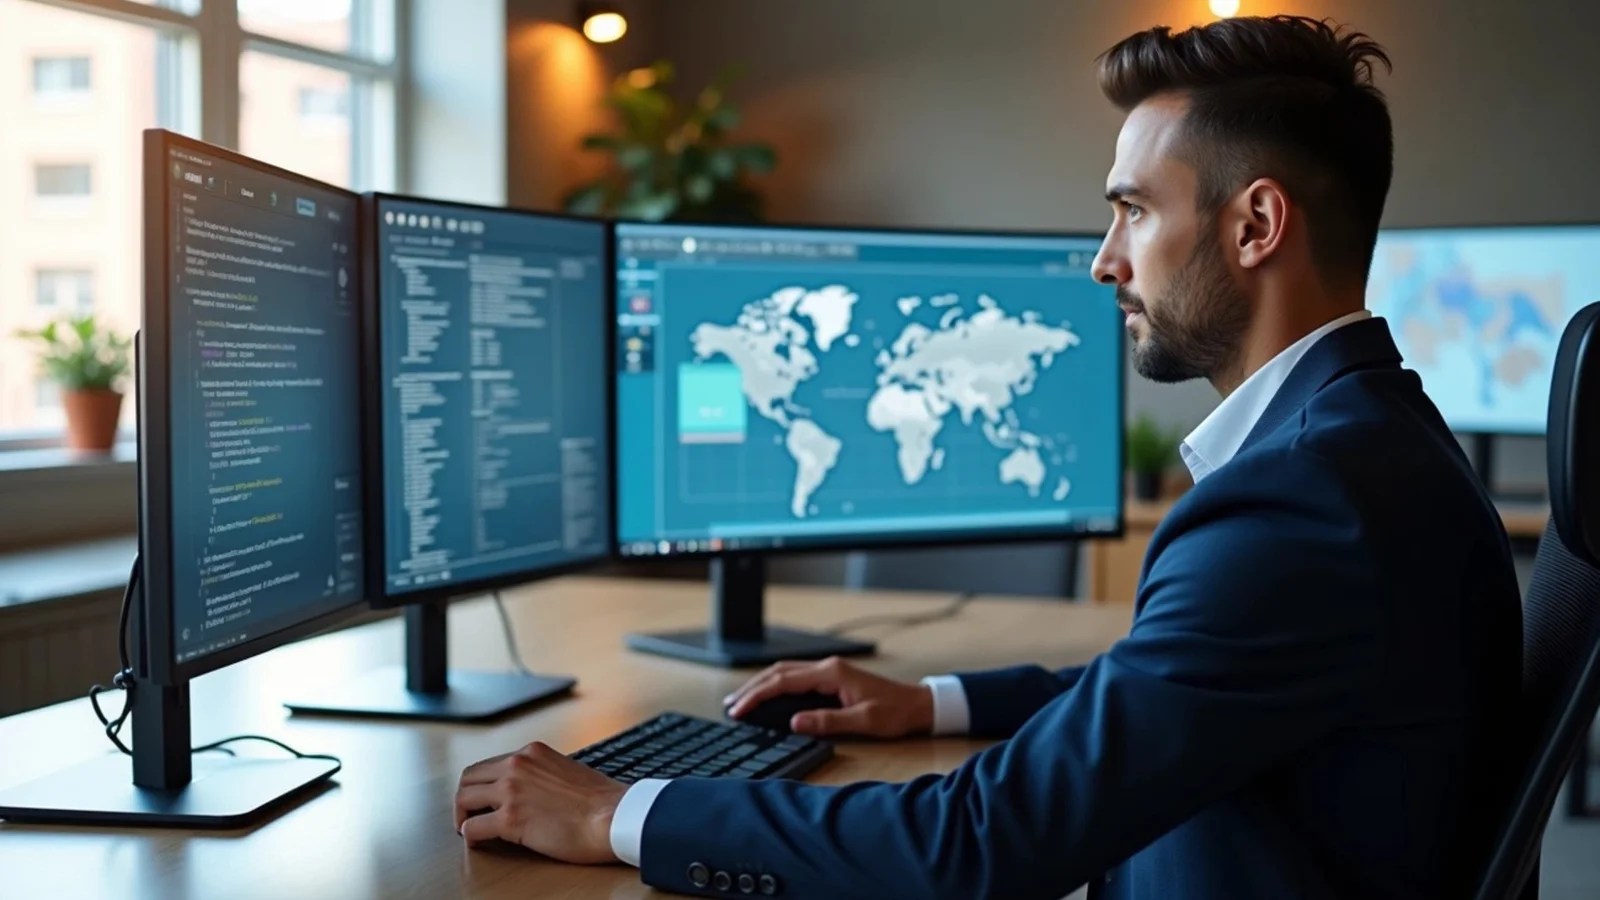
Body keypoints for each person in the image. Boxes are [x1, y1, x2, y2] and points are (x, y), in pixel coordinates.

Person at [453, 15, 1522, 899]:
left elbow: (983, 843)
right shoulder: (1367, 434)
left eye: (1133, 211)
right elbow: (1171, 688)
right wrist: (935, 704)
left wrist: (620, 809)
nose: (1105, 260)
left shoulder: (1301, 503)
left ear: (1254, 226)